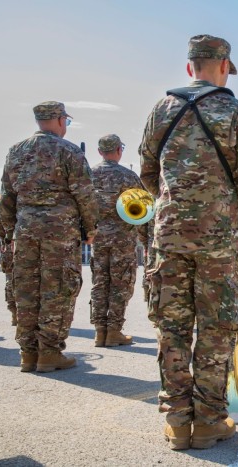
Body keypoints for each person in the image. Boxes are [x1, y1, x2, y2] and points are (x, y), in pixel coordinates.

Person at [139, 34, 238, 450]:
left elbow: (146, 172)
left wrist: (170, 213)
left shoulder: (162, 108)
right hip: (219, 240)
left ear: (190, 66)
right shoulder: (234, 111)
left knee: (171, 326)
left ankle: (177, 420)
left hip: (169, 237)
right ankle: (209, 420)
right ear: (224, 65)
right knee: (216, 328)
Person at [0, 101, 99, 373]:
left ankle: (28, 354)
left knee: (27, 289)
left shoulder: (15, 151)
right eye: (65, 120)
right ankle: (49, 353)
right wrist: (90, 229)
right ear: (58, 119)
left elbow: (7, 197)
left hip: (25, 229)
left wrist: (6, 232)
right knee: (57, 288)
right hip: (60, 231)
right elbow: (85, 195)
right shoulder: (69, 151)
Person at [90, 134, 148, 347]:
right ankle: (114, 330)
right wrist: (146, 238)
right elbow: (143, 210)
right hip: (123, 238)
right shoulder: (128, 177)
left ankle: (99, 331)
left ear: (99, 151)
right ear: (119, 150)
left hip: (98, 237)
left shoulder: (89, 174)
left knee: (99, 282)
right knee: (120, 282)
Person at [0, 217, 17, 325]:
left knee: (11, 282)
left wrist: (5, 237)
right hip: (16, 245)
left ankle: (17, 314)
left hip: (12, 245)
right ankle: (15, 313)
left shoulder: (8, 202)